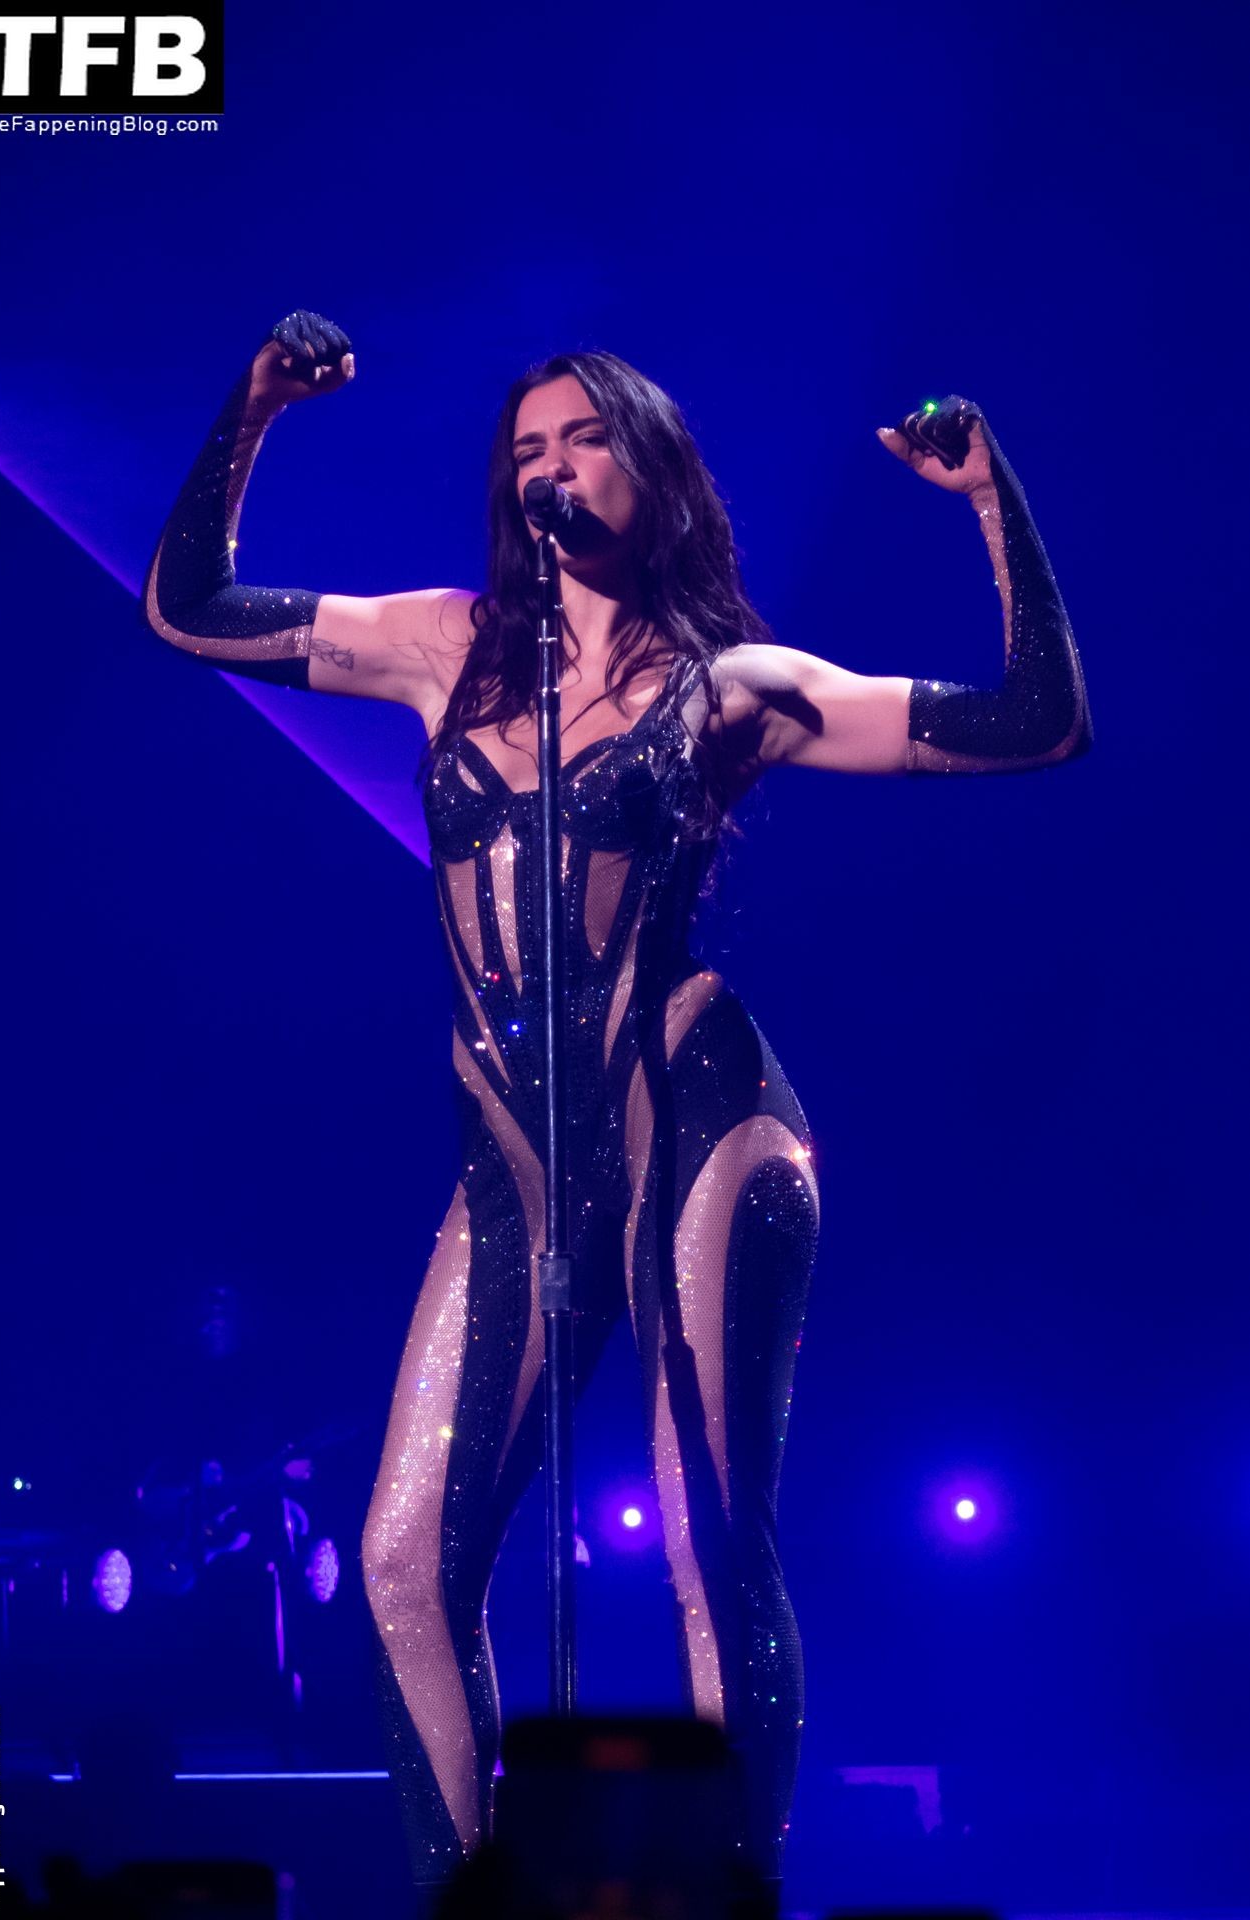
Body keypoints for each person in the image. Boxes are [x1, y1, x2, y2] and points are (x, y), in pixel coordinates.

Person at [140, 309, 1092, 1908]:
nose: (554, 468)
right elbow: (189, 609)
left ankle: (731, 1896)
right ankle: (473, 1898)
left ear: (649, 473)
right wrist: (253, 409)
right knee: (401, 1564)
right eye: (529, 448)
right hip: (513, 1154)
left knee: (708, 1536)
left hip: (693, 1109)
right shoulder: (440, 645)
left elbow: (1032, 719)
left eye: (585, 440)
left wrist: (991, 503)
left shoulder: (733, 687)